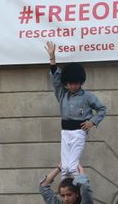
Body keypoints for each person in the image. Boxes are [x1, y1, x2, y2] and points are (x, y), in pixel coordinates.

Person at [44, 41, 107, 177]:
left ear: (81, 82)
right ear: (66, 84)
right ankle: (66, 193)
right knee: (65, 168)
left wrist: (93, 121)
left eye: (76, 83)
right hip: (65, 132)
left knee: (72, 166)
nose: (73, 86)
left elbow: (102, 109)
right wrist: (52, 58)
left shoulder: (87, 96)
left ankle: (81, 188)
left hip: (79, 131)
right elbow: (55, 78)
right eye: (70, 83)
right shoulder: (62, 94)